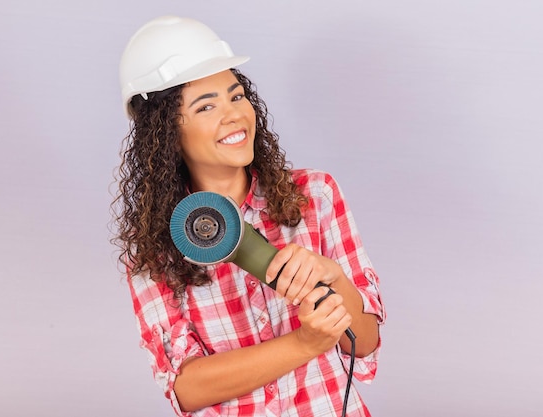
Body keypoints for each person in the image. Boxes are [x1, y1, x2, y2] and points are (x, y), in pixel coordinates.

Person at [113, 15, 386, 417]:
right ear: (166, 132)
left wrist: (334, 280)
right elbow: (186, 388)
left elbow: (364, 342)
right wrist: (304, 343)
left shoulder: (314, 196)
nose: (234, 115)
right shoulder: (155, 249)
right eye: (206, 106)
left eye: (236, 96)